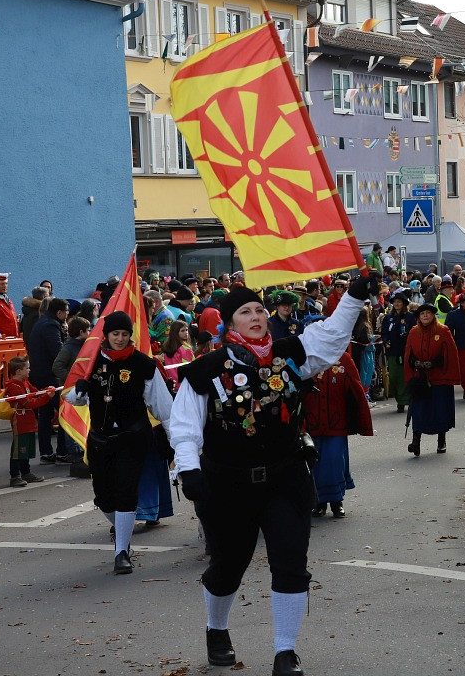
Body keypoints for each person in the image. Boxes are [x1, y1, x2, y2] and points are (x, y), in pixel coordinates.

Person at [169, 276, 378, 674]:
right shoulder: (206, 369)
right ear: (229, 324)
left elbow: (333, 337)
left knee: (290, 562)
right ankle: (217, 628)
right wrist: (189, 468)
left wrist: (353, 297)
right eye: (245, 312)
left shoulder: (290, 354)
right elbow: (184, 424)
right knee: (227, 566)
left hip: (285, 478)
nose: (256, 316)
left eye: (260, 310)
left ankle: (285, 651)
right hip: (227, 484)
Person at [65, 311, 174, 575]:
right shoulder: (91, 363)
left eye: (125, 334)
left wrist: (175, 442)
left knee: (126, 492)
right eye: (115, 334)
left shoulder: (143, 365)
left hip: (133, 438)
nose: (120, 339)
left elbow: (163, 407)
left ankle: (122, 551)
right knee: (104, 497)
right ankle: (121, 530)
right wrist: (79, 390)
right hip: (101, 440)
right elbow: (73, 399)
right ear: (106, 335)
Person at [305, 349, 372, 518]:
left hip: (337, 421)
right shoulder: (305, 357)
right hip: (312, 421)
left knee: (335, 459)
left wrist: (358, 419)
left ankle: (336, 501)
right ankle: (318, 502)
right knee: (315, 461)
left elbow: (356, 389)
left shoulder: (344, 359)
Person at [403, 302, 460, 456]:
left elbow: (449, 354)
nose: (425, 316)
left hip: (439, 377)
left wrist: (433, 363)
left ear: (433, 315)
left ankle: (441, 440)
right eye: (422, 314)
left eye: (428, 313)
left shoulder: (443, 331)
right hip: (421, 378)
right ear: (419, 317)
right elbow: (409, 354)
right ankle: (416, 442)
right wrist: (416, 362)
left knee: (440, 409)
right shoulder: (414, 332)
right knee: (419, 410)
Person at [27, 297, 71, 464]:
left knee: (45, 415)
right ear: (59, 312)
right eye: (66, 311)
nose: (68, 314)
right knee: (63, 412)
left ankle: (46, 452)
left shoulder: (43, 321)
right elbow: (58, 352)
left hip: (40, 374)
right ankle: (62, 451)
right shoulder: (51, 326)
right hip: (49, 376)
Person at [3, 357, 53, 487]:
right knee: (18, 449)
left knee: (26, 448)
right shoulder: (13, 387)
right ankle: (15, 476)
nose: (29, 370)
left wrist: (46, 390)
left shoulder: (24, 382)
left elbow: (34, 392)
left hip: (28, 420)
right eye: (27, 368)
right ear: (19, 371)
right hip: (19, 421)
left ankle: (26, 472)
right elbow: (29, 403)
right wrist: (46, 397)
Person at [53, 316, 91, 386]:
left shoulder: (85, 345)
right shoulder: (68, 348)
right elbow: (57, 367)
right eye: (88, 330)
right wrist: (73, 378)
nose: (90, 333)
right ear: (81, 332)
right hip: (70, 388)